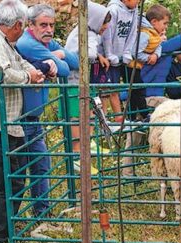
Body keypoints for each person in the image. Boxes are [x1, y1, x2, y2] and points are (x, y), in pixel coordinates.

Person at [0, 0, 45, 243]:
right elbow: (2, 73)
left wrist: (34, 72)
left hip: (4, 124)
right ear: (19, 25)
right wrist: (28, 78)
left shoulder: (4, 42)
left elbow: (20, 63)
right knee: (10, 183)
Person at [16, 3, 79, 217]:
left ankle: (41, 212)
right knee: (20, 170)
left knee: (40, 164)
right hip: (21, 118)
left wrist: (56, 51)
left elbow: (74, 61)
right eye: (43, 25)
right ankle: (15, 218)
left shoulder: (43, 41)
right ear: (30, 25)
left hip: (33, 117)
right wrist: (57, 56)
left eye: (51, 25)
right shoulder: (27, 43)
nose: (49, 29)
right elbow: (62, 70)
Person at [64, 0, 111, 171]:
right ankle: (77, 155)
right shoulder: (87, 35)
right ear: (96, 21)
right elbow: (87, 52)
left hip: (82, 79)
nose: (105, 27)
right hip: (73, 81)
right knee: (77, 117)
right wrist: (95, 54)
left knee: (89, 112)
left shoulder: (86, 32)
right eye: (104, 24)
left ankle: (88, 143)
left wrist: (98, 55)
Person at [124, 3, 169, 120]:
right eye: (164, 23)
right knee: (138, 90)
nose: (166, 27)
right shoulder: (145, 34)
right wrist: (148, 58)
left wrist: (155, 54)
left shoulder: (154, 33)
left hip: (137, 66)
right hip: (131, 66)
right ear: (154, 22)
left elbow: (158, 44)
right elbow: (135, 52)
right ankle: (141, 115)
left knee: (136, 91)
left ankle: (134, 117)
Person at [142, 23, 181, 102]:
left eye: (165, 34)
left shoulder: (165, 53)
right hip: (148, 92)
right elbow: (172, 44)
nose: (165, 37)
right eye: (161, 34)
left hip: (155, 91)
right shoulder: (157, 49)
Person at [101, 0, 140, 125]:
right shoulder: (114, 9)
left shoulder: (135, 10)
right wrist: (109, 54)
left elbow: (133, 32)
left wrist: (127, 52)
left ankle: (119, 119)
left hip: (119, 58)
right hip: (107, 58)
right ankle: (103, 120)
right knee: (104, 91)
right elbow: (107, 33)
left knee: (115, 89)